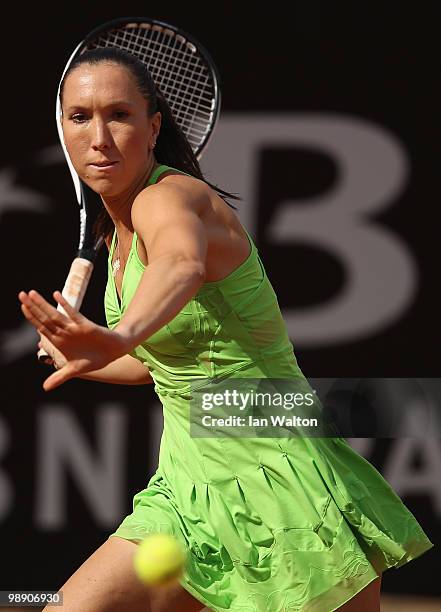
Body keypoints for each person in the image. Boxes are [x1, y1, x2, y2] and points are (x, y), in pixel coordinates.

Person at [19, 47, 433, 612]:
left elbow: (181, 264)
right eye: (80, 116)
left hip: (278, 475)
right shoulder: (113, 237)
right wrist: (93, 356)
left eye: (119, 114)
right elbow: (161, 360)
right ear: (63, 130)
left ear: (153, 126)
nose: (100, 136)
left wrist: (119, 333)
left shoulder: (172, 197)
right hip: (187, 484)